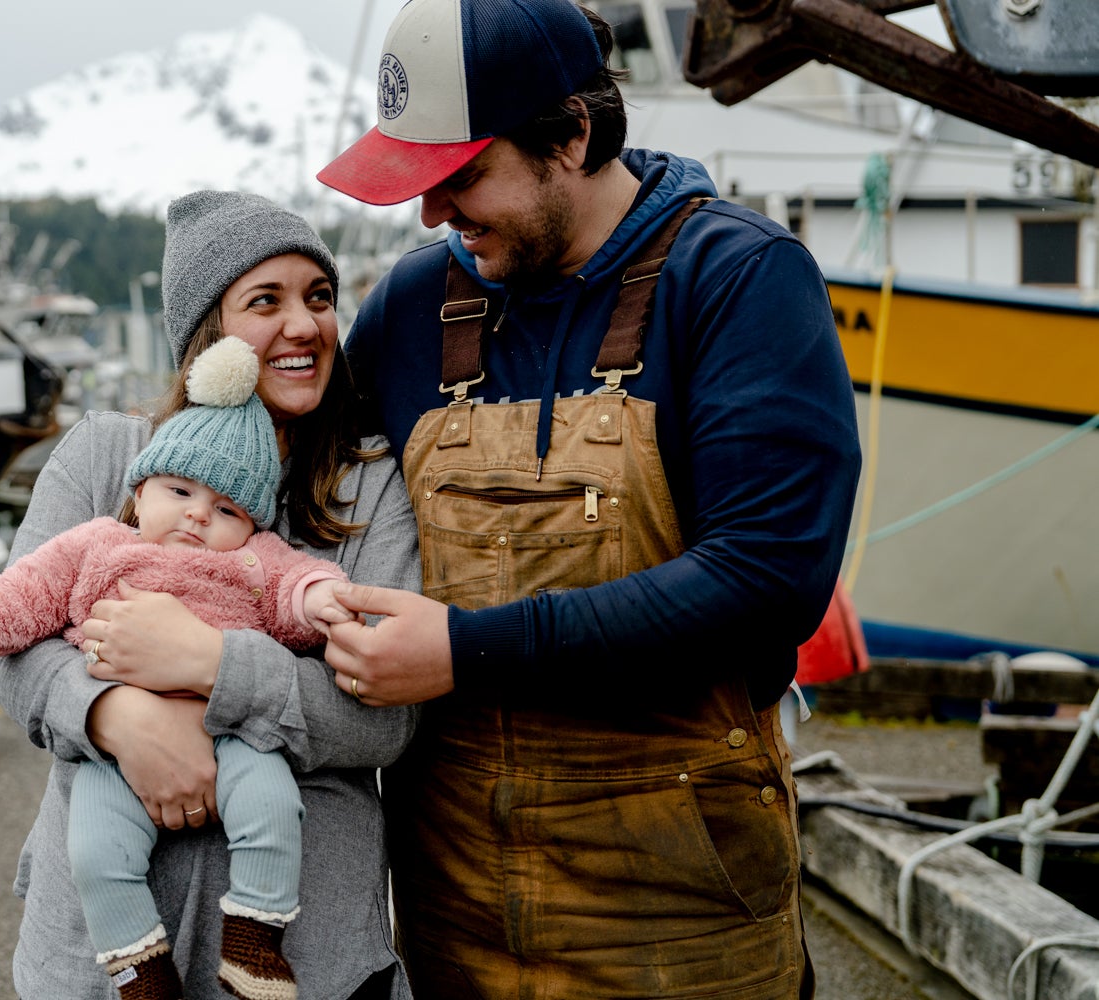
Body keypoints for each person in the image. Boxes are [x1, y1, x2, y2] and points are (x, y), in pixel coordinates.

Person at [313, 1, 863, 997]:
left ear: (572, 134)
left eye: (462, 174)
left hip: (681, 926)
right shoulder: (409, 307)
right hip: (452, 925)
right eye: (420, 181)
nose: (432, 215)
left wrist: (461, 650)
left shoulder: (738, 282)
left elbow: (765, 580)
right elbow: (293, 508)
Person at [0, 190, 420, 1000]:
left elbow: (385, 714)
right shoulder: (106, 456)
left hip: (308, 953)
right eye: (266, 301)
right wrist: (115, 714)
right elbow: (10, 643)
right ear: (205, 338)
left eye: (319, 298)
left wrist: (215, 666)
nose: (305, 325)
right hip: (94, 955)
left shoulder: (370, 487)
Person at [0, 337, 357, 1000]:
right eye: (178, 490)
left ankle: (254, 941)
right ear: (140, 490)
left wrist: (325, 600)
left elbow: (297, 585)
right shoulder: (99, 545)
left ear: (250, 524)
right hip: (114, 752)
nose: (196, 514)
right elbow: (25, 594)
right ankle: (139, 971)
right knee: (96, 853)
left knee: (272, 810)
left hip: (237, 730)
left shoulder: (253, 558)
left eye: (225, 510)